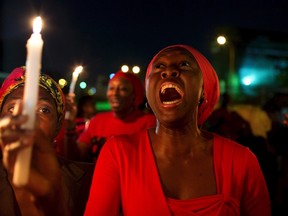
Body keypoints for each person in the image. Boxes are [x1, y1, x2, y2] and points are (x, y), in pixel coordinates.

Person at [84, 45, 271, 215]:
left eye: (184, 64)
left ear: (203, 90)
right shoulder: (118, 153)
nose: (169, 71)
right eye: (158, 67)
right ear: (148, 93)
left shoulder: (241, 161)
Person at [0, 67, 94, 216]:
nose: (27, 118)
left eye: (43, 110)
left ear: (57, 126)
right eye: (13, 108)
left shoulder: (91, 179)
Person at [73, 71, 156, 162]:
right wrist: (69, 128)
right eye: (111, 88)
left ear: (134, 95)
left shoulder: (150, 123)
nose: (115, 93)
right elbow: (77, 157)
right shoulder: (97, 121)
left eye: (123, 89)